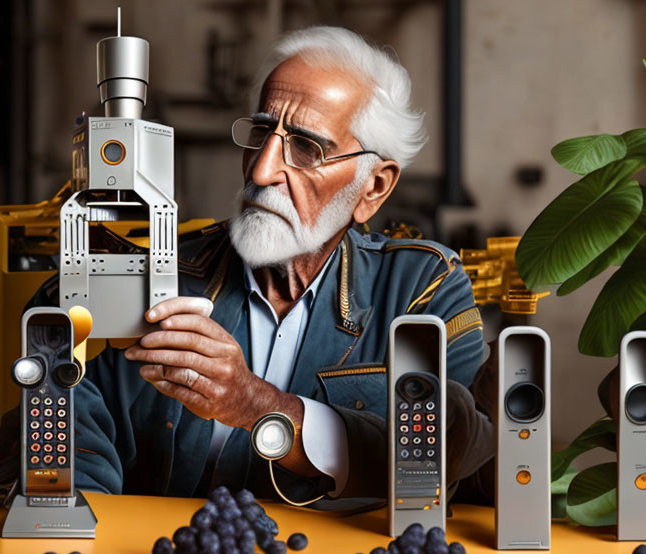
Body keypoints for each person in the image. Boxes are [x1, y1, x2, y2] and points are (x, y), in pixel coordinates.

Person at [24, 26, 494, 502]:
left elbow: (460, 461)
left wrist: (258, 406)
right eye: (261, 131)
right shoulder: (138, 275)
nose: (262, 169)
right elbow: (61, 454)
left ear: (372, 187)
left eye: (307, 147)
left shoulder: (422, 288)